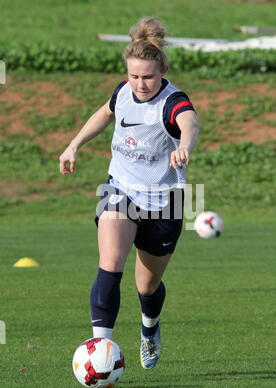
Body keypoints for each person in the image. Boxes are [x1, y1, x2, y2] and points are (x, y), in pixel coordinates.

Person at [59, 17, 199, 369]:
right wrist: (74, 144)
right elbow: (104, 113)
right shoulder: (123, 91)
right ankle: (100, 352)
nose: (140, 84)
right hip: (121, 189)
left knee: (147, 287)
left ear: (163, 70)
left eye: (148, 77)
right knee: (110, 264)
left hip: (166, 202)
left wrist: (184, 146)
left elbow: (190, 123)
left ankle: (149, 327)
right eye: (134, 76)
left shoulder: (172, 101)